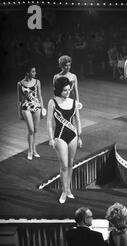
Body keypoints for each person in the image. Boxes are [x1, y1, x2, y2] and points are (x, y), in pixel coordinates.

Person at [47, 76, 82, 204]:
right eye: (64, 90)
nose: (67, 92)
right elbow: (49, 122)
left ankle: (68, 190)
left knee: (71, 164)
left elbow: (78, 120)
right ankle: (63, 191)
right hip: (60, 136)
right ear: (58, 90)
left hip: (73, 135)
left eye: (68, 90)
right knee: (64, 165)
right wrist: (51, 139)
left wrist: (80, 137)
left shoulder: (73, 102)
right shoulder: (53, 102)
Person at [17, 64, 45, 160]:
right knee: (31, 130)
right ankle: (29, 150)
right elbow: (19, 99)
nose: (35, 73)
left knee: (36, 130)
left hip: (36, 106)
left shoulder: (37, 82)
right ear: (27, 72)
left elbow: (40, 96)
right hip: (26, 107)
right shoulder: (20, 84)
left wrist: (42, 108)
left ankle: (34, 150)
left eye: (35, 71)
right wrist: (19, 112)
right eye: (33, 71)